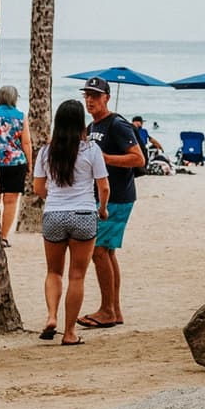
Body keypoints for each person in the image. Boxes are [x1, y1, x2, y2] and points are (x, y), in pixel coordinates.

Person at [34, 98, 108, 344]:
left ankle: (51, 316)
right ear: (80, 123)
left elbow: (38, 188)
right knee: (77, 276)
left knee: (53, 272)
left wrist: (55, 198)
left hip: (53, 214)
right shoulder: (91, 150)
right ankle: (69, 333)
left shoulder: (46, 151)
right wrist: (103, 209)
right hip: (84, 215)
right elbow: (104, 186)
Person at [78, 78, 143, 330]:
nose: (90, 100)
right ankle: (114, 310)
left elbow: (138, 159)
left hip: (116, 196)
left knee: (99, 251)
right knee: (107, 252)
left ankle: (107, 310)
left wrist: (104, 159)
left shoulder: (117, 124)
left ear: (107, 97)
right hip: (104, 195)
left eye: (95, 95)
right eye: (87, 96)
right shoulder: (92, 125)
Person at [0, 84, 28, 242]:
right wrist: (30, 164)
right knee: (10, 201)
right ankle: (3, 236)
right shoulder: (20, 116)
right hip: (15, 162)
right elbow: (26, 143)